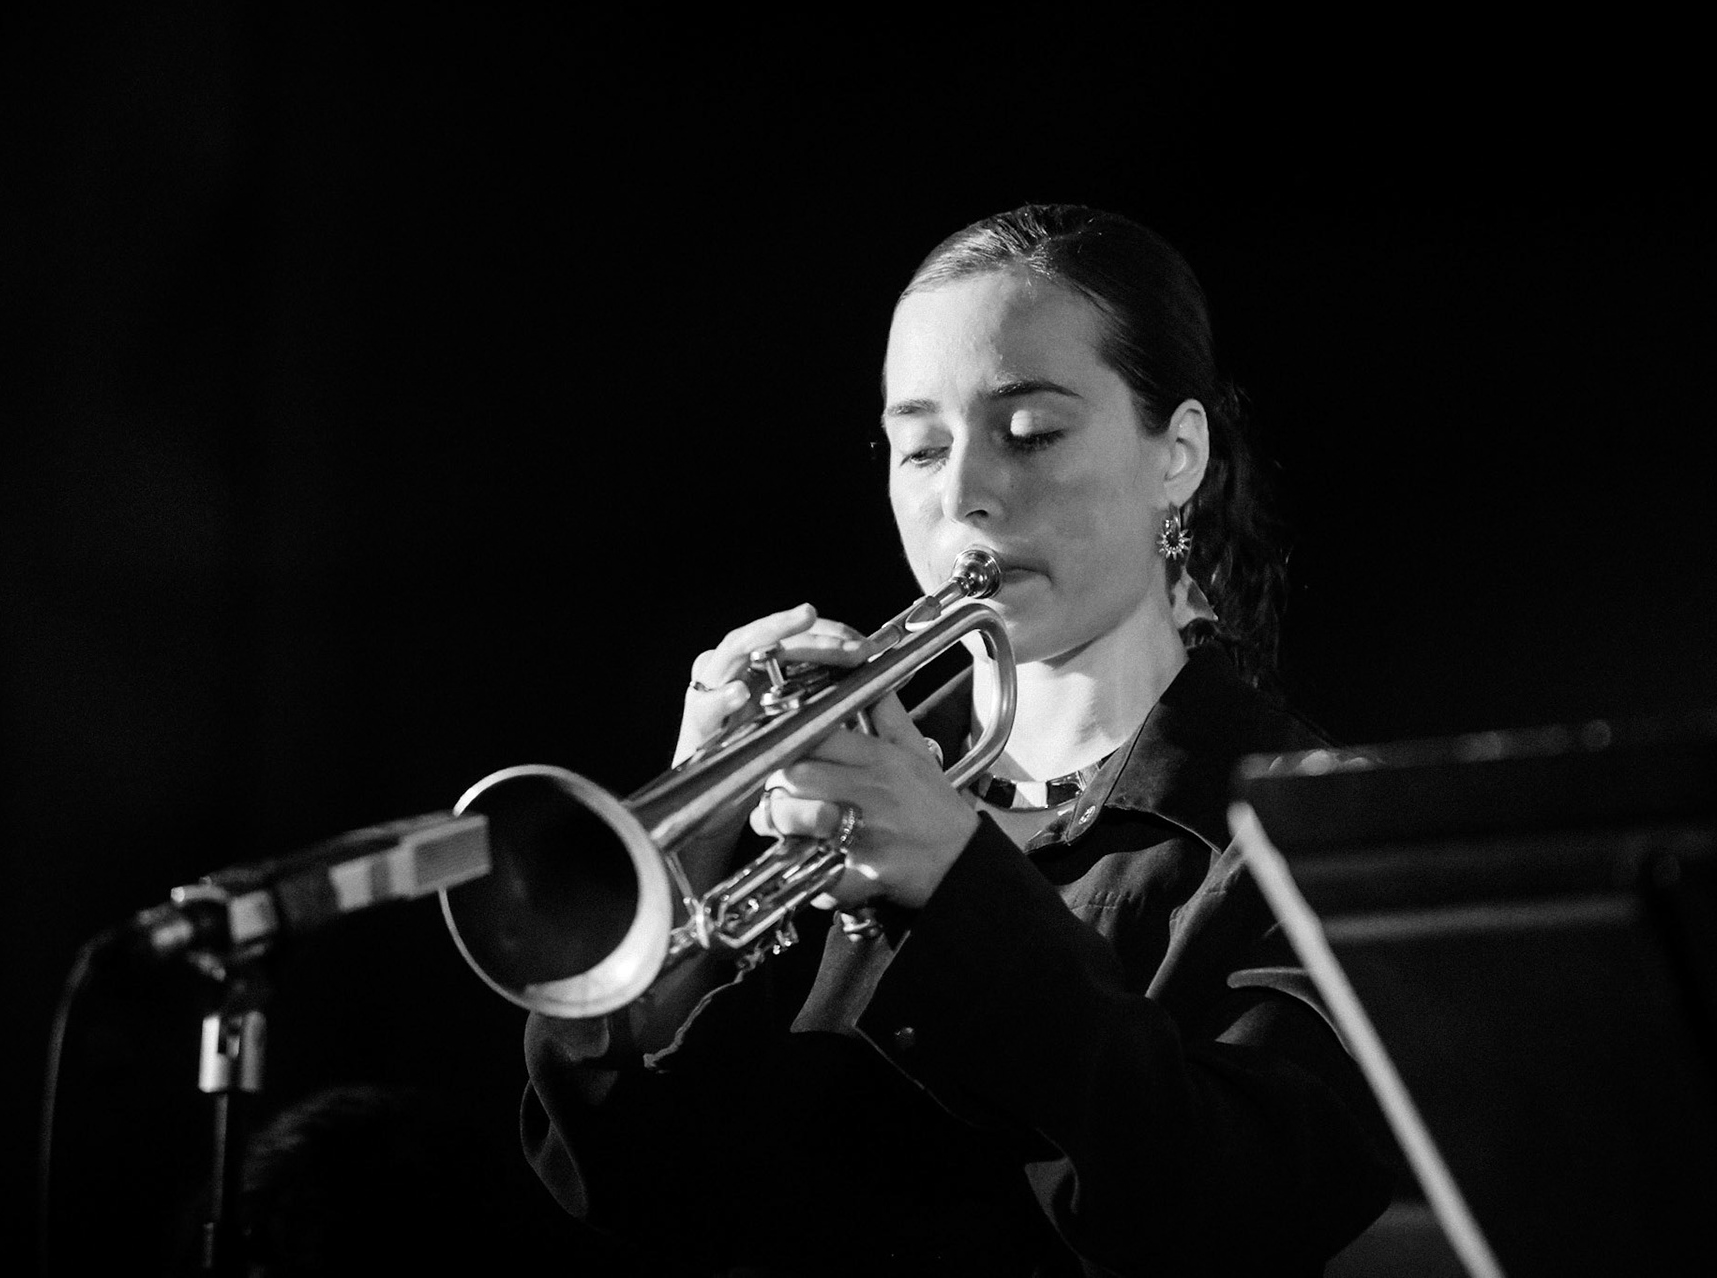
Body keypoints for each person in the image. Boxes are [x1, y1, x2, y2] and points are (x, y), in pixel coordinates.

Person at [520, 204, 1393, 1276]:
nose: (964, 493)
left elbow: (1237, 1209)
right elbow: (610, 1178)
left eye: (1030, 432)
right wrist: (684, 836)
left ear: (1179, 455)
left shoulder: (1314, 825)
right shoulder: (827, 799)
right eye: (920, 447)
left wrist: (962, 888)